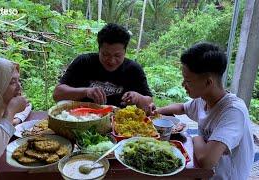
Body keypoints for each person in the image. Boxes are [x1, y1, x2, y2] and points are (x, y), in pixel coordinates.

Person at [152, 42, 254, 179]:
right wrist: (157, 111)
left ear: (208, 82)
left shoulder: (233, 112)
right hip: (202, 174)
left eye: (187, 81)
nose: (183, 85)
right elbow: (182, 107)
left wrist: (196, 137)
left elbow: (206, 161)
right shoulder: (204, 99)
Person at [53, 23, 154, 111]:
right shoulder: (83, 62)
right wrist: (86, 92)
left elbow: (149, 103)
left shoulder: (134, 70)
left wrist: (138, 98)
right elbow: (57, 94)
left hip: (118, 124)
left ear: (125, 52)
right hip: (83, 117)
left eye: (117, 56)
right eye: (105, 54)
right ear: (99, 49)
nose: (111, 61)